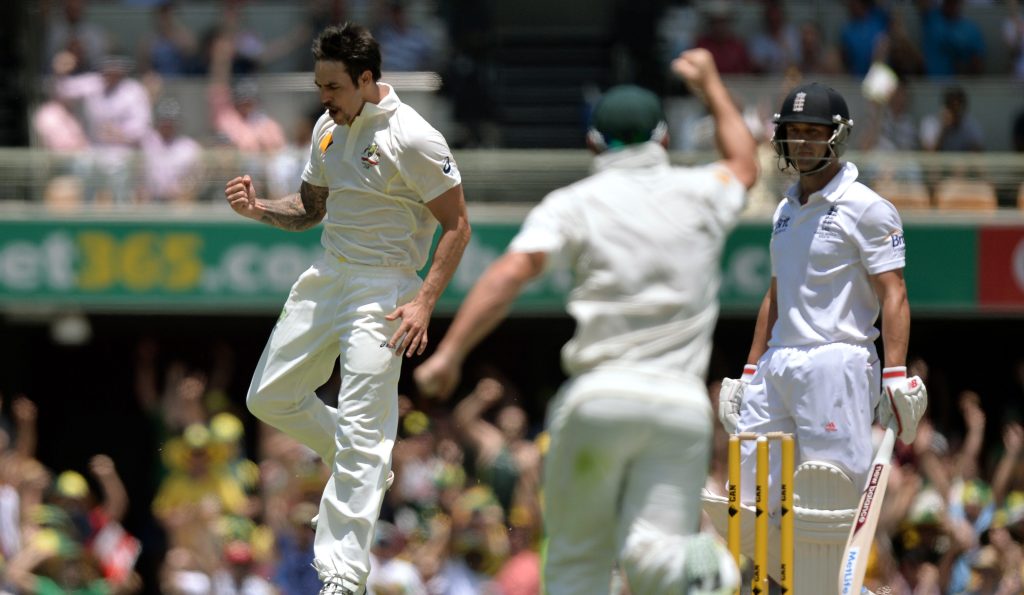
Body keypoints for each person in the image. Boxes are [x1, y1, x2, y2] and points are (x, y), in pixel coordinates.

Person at [414, 48, 758, 594]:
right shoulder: (702, 192)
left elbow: (513, 271)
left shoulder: (574, 201)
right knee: (653, 556)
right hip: (682, 406)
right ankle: (705, 567)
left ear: (593, 142)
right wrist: (711, 85)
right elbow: (745, 163)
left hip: (600, 398)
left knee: (577, 566)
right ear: (664, 140)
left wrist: (452, 352)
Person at [223, 23, 470, 595]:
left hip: (385, 292)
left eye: (332, 86)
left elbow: (458, 225)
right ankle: (365, 459)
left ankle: (341, 576)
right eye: (318, 86)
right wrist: (259, 209)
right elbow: (311, 208)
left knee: (363, 426)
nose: (323, 98)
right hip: (327, 276)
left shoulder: (415, 137)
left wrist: (424, 304)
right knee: (268, 397)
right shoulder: (326, 129)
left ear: (365, 79)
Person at [712, 82, 929, 593]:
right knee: (749, 497)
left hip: (838, 362)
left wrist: (895, 375)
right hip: (779, 363)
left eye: (814, 133)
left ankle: (843, 586)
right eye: (794, 133)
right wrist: (748, 370)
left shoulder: (868, 208)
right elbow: (775, 294)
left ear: (837, 138)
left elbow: (893, 293)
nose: (803, 143)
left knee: (830, 498)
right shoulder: (784, 210)